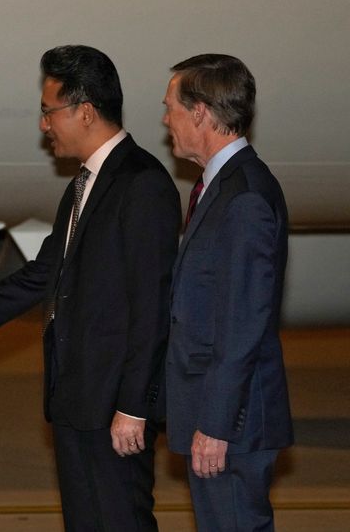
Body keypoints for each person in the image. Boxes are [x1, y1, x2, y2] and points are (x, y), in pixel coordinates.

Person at [0, 45, 180, 531]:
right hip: (76, 401)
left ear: (84, 111)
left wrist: (134, 408)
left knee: (121, 520)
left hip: (113, 409)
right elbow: (44, 275)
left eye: (49, 112)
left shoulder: (141, 183)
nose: (44, 125)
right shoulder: (84, 184)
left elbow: (152, 308)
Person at [162, 54, 293, 531]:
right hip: (221, 414)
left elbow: (242, 324)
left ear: (199, 112)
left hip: (230, 422)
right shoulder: (222, 188)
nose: (164, 119)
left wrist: (216, 423)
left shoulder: (244, 197)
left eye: (170, 106)